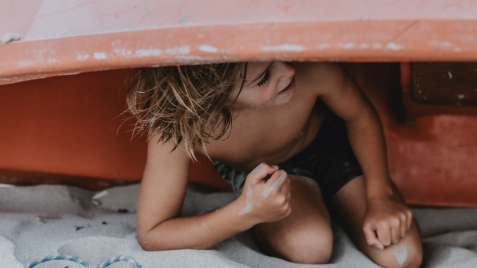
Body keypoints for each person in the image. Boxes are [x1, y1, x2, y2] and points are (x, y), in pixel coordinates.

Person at [127, 61, 423, 267]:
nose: (288, 69)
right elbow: (153, 233)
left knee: (404, 255)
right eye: (264, 78)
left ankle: (340, 197)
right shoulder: (180, 126)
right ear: (211, 100)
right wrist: (246, 212)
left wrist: (379, 195)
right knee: (311, 248)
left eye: (278, 54)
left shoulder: (310, 70)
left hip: (332, 145)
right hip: (268, 173)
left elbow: (359, 117)